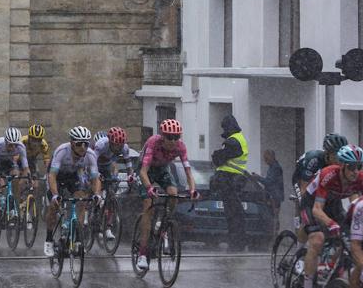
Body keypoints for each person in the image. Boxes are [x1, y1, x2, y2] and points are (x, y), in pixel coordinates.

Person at [299, 145, 363, 288]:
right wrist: (330, 223)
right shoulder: (328, 175)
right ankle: (307, 283)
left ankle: (330, 265)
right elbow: (317, 210)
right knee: (318, 239)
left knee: (350, 240)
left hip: (333, 204)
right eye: (351, 167)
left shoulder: (362, 180)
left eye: (359, 166)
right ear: (342, 165)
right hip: (311, 203)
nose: (355, 171)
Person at [135, 119, 199, 272]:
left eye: (176, 137)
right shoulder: (153, 142)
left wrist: (192, 190)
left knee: (173, 194)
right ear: (162, 136)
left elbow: (188, 173)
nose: (173, 141)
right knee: (148, 206)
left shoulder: (181, 147)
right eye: (169, 137)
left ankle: (163, 223)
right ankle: (142, 254)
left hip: (163, 169)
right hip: (146, 170)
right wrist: (149, 188)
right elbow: (143, 172)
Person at [44, 126, 102, 257]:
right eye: (79, 144)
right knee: (53, 206)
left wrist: (97, 195)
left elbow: (95, 178)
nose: (83, 147)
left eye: (86, 144)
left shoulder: (90, 155)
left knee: (81, 201)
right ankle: (48, 239)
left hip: (73, 176)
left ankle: (77, 238)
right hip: (56, 176)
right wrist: (55, 195)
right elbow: (52, 176)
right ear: (71, 143)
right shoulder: (62, 151)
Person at [210, 114, 249, 250]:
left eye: (224, 128)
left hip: (229, 181)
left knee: (233, 214)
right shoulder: (239, 139)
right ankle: (238, 241)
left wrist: (216, 154)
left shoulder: (232, 141)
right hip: (234, 181)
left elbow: (219, 158)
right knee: (236, 213)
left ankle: (236, 242)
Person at [0, 127, 31, 234]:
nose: (13, 147)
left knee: (16, 177)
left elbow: (25, 168)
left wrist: (25, 179)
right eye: (10, 145)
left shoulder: (20, 147)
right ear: (6, 141)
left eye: (15, 145)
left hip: (8, 162)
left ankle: (12, 208)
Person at [92, 126, 136, 241]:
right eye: (116, 145)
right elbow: (92, 163)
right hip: (95, 165)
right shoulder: (101, 145)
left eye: (120, 146)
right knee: (97, 188)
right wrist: (95, 175)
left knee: (111, 196)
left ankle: (108, 228)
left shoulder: (124, 148)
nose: (118, 148)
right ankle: (94, 211)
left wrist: (131, 176)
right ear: (110, 142)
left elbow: (128, 165)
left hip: (106, 167)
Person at [252, 149, 285, 233]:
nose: (265, 161)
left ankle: (274, 235)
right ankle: (273, 234)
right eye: (264, 159)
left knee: (274, 216)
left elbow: (269, 182)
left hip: (274, 196)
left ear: (272, 157)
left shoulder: (275, 167)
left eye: (266, 159)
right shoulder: (273, 167)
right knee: (273, 216)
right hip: (274, 195)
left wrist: (258, 177)